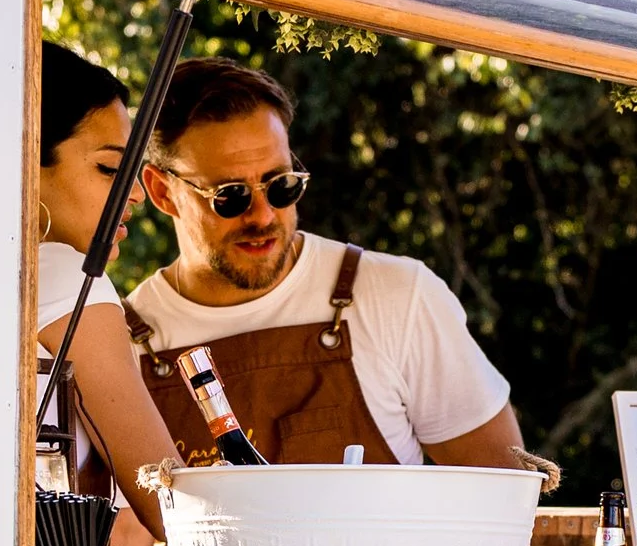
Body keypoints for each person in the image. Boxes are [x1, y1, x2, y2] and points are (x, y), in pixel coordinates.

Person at [124, 59, 528, 467]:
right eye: (231, 196)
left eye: (280, 185)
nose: (263, 217)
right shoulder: (123, 347)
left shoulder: (397, 296)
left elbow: (503, 493)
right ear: (162, 192)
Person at [31, 42, 179, 546]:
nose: (135, 193)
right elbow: (168, 500)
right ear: (29, 161)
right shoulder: (64, 276)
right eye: (110, 170)